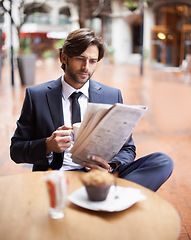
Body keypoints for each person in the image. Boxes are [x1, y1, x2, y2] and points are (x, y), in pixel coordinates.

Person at [10, 28, 173, 191]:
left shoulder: (111, 95)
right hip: (59, 176)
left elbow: (127, 148)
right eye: (80, 59)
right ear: (64, 57)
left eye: (92, 61)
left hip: (99, 175)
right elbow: (16, 150)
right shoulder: (37, 96)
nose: (86, 67)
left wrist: (109, 167)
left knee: (163, 162)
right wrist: (47, 145)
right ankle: (113, 195)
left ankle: (111, 192)